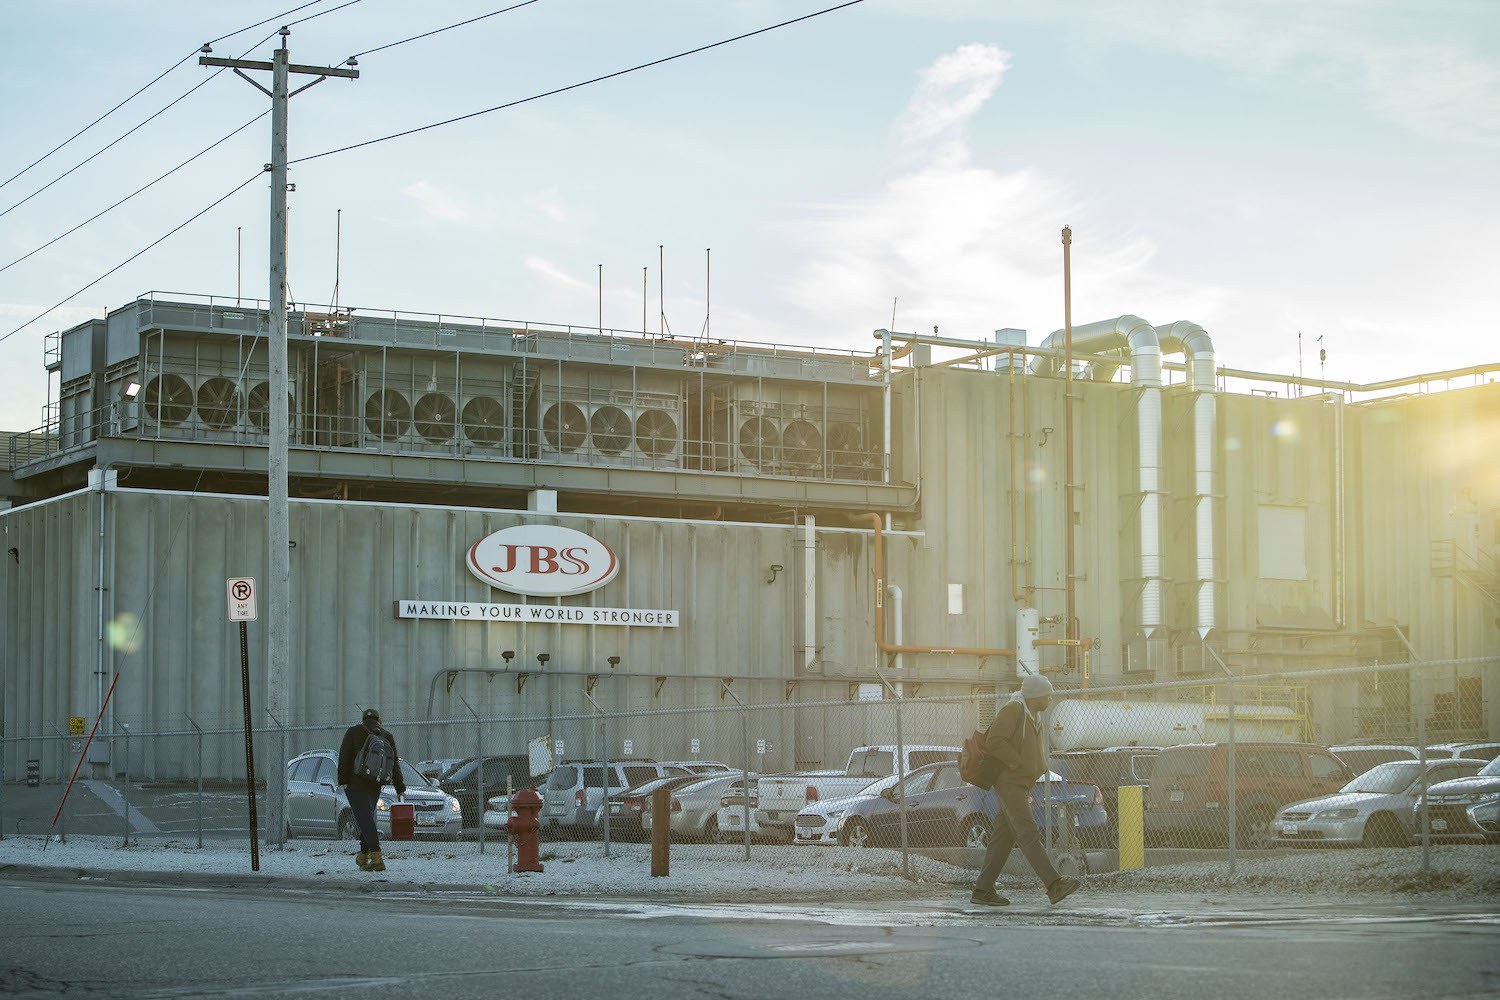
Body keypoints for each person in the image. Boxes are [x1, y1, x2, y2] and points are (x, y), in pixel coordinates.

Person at [970, 673, 1081, 906]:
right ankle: (1053, 885)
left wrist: (1033, 771)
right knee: (1028, 833)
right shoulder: (1014, 710)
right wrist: (1016, 763)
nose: (1050, 699)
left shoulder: (1033, 714)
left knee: (1003, 838)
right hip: (1010, 782)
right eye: (1046, 695)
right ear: (1034, 696)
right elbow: (995, 741)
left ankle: (982, 891)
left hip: (1020, 782)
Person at [337, 707, 405, 872]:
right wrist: (399, 786)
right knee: (367, 819)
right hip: (376, 783)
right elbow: (394, 763)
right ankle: (363, 855)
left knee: (365, 820)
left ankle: (377, 859)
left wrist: (343, 781)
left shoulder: (353, 732)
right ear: (379, 720)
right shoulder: (387, 736)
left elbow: (344, 756)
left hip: (356, 783)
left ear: (363, 720)